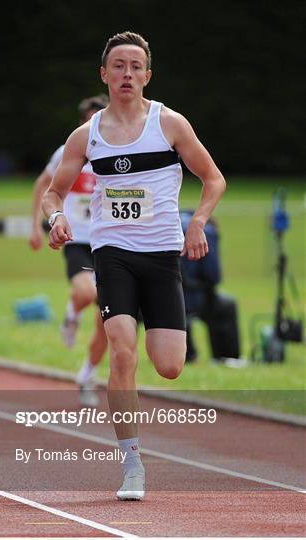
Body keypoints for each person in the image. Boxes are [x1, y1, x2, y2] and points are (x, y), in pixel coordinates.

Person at [42, 31, 226, 501]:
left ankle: (134, 435)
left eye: (135, 66)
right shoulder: (87, 134)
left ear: (147, 74)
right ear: (104, 75)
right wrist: (57, 217)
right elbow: (52, 191)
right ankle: (132, 465)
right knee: (123, 351)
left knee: (168, 366)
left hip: (162, 256)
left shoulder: (170, 124)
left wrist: (198, 223)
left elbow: (213, 178)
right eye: (118, 66)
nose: (127, 73)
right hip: (112, 254)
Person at [29, 94, 109, 406]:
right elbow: (42, 186)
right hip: (76, 239)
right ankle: (70, 315)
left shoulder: (116, 151)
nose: (92, 125)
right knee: (86, 293)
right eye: (87, 120)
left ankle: (88, 375)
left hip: (111, 243)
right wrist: (37, 225)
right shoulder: (69, 151)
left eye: (97, 119)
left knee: (108, 323)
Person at [180, 211, 243, 366]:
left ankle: (189, 353)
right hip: (192, 298)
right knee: (227, 305)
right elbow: (213, 276)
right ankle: (227, 357)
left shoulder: (170, 224)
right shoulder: (206, 232)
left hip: (153, 297)